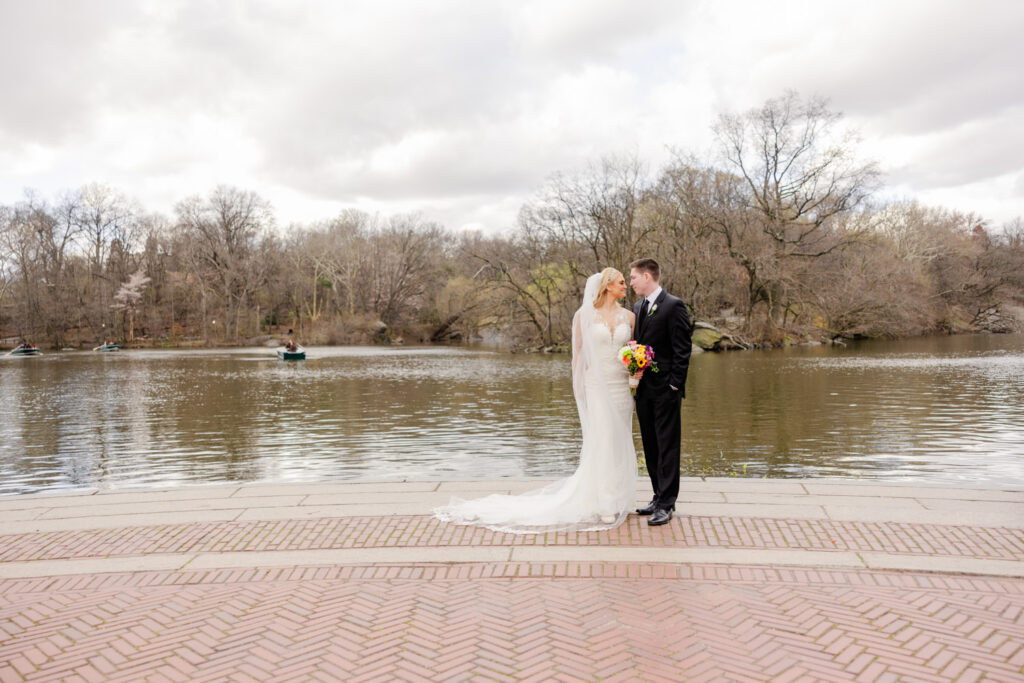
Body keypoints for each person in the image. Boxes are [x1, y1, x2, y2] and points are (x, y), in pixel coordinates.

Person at [434, 268, 638, 533]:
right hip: (597, 386)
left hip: (622, 386)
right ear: (607, 285)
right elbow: (578, 355)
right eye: (622, 282)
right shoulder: (583, 316)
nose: (626, 286)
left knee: (619, 438)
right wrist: (580, 389)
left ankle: (619, 495)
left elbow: (634, 349)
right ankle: (605, 502)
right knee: (603, 438)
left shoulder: (630, 316)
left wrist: (636, 370)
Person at [629, 258, 692, 526]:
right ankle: (657, 496)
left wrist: (674, 385)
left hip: (666, 389)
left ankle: (667, 503)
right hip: (643, 390)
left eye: (633, 277)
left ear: (646, 276)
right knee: (651, 445)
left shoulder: (673, 305)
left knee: (668, 445)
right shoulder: (637, 307)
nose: (630, 282)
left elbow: (682, 350)